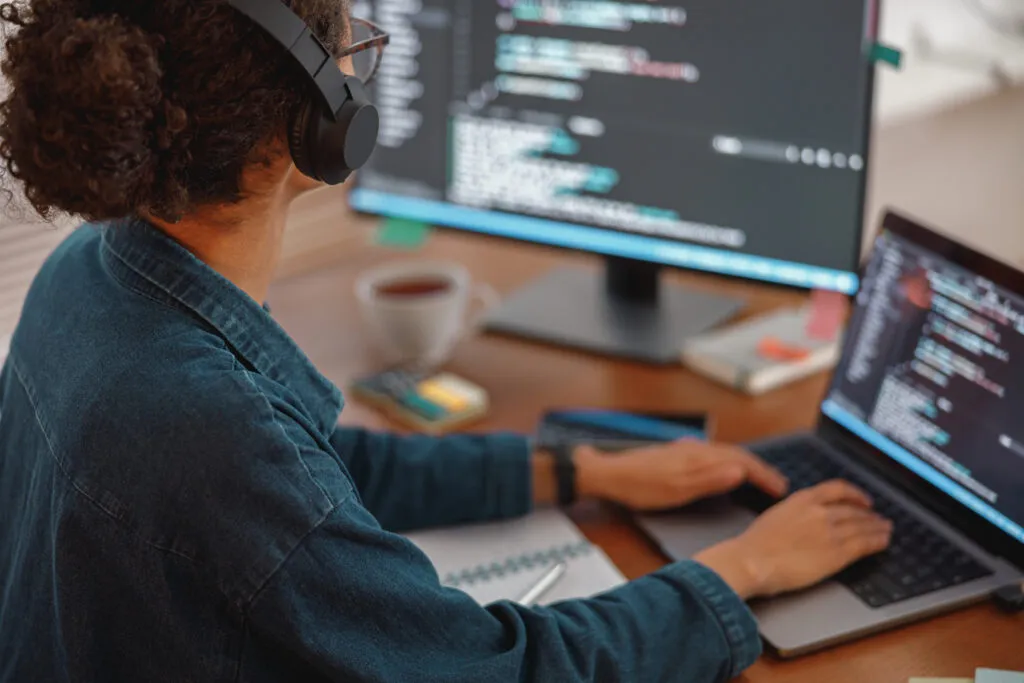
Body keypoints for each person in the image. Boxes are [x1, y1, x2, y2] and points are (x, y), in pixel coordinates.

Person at [0, 1, 893, 681]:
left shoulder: (91, 274)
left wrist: (576, 470)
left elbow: (307, 482)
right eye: (354, 54)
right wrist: (742, 568)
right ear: (313, 122)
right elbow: (497, 669)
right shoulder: (208, 431)